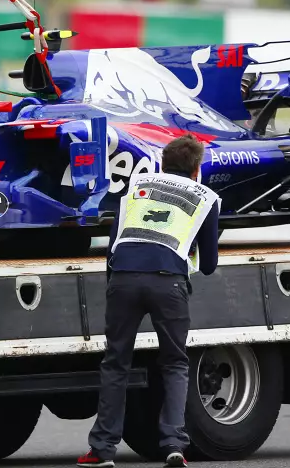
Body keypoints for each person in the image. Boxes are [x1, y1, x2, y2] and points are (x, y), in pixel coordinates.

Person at [77, 133, 221, 468]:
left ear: (162, 163)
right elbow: (210, 265)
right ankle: (173, 445)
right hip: (167, 283)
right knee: (174, 363)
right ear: (196, 169)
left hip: (124, 278)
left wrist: (118, 282)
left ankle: (102, 450)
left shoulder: (135, 189)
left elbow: (114, 243)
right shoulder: (205, 198)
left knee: (116, 363)